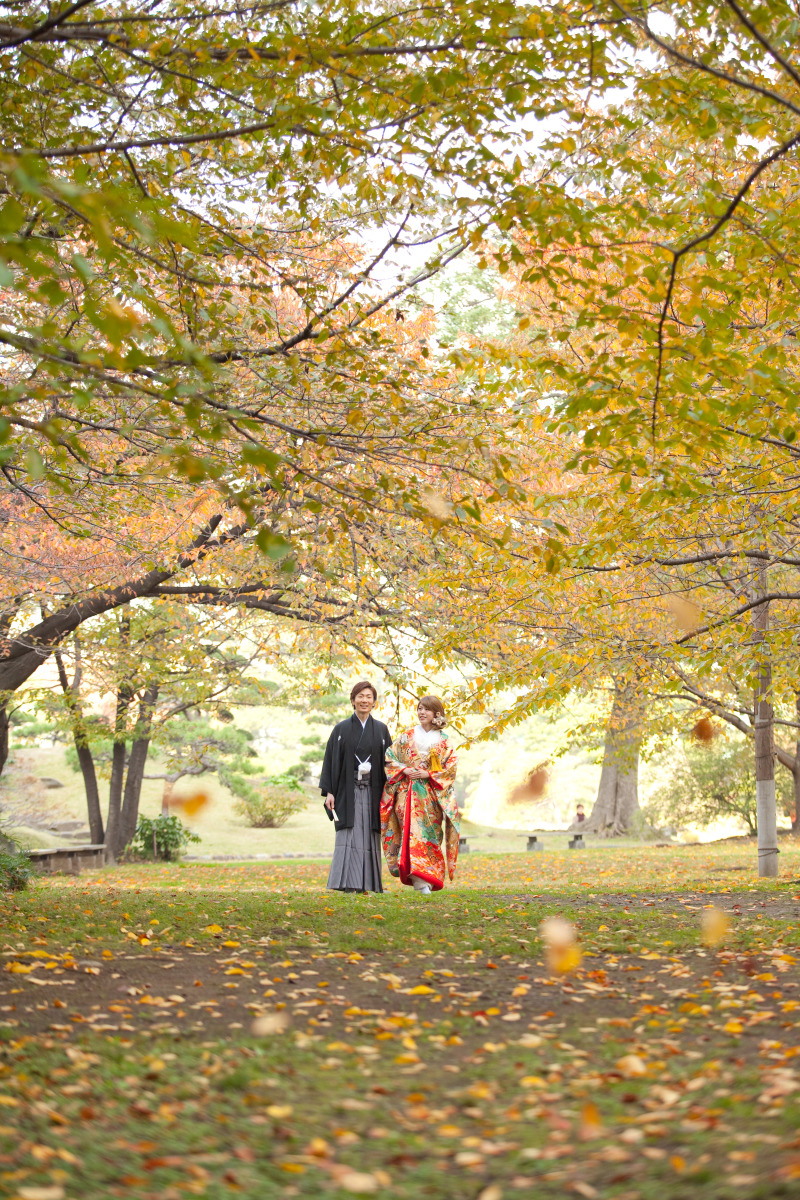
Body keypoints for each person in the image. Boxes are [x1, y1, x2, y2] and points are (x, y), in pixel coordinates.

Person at [381, 695, 459, 895]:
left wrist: (429, 774)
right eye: (419, 708)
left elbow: (450, 768)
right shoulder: (406, 736)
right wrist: (404, 770)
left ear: (436, 714)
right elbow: (389, 758)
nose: (421, 712)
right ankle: (419, 880)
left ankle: (429, 876)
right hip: (406, 795)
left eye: (426, 709)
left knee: (430, 835)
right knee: (412, 834)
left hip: (431, 796)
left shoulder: (444, 741)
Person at [320, 681, 392, 893]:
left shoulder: (380, 730)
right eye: (360, 696)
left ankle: (368, 883)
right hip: (346, 790)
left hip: (372, 790)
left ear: (374, 702)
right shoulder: (341, 729)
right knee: (348, 832)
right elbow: (330, 761)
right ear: (353, 700)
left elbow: (389, 762)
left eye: (369, 696)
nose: (364, 700)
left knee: (369, 834)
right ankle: (346, 883)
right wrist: (330, 792)